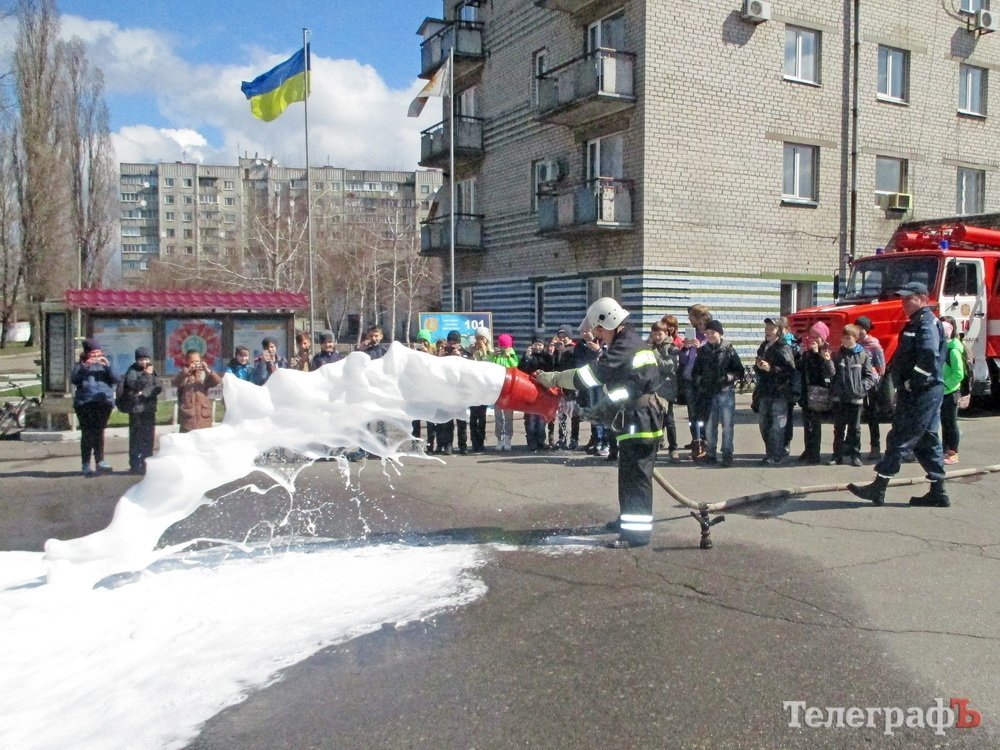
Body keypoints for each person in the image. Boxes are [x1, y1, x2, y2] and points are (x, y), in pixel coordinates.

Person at [533, 297, 663, 549]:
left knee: (636, 478)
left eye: (600, 330)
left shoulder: (625, 347)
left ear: (611, 322)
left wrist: (554, 378)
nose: (599, 336)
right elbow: (627, 386)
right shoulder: (630, 343)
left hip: (640, 420)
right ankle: (627, 520)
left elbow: (591, 375)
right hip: (637, 418)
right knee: (629, 474)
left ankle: (636, 535)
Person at [848, 282, 950, 507]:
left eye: (908, 299)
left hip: (921, 392)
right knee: (927, 439)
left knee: (900, 437)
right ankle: (938, 490)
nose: (903, 303)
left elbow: (928, 356)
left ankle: (879, 486)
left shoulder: (925, 323)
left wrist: (913, 381)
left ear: (922, 298)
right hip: (925, 391)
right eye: (903, 299)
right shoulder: (919, 321)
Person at [691, 320, 743, 467]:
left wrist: (728, 377)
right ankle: (711, 452)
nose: (709, 336)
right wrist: (701, 380)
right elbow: (696, 372)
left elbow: (739, 371)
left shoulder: (728, 350)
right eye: (707, 333)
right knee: (710, 424)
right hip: (708, 392)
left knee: (727, 425)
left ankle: (727, 453)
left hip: (725, 391)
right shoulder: (702, 351)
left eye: (712, 333)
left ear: (720, 333)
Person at [826, 324, 875, 467]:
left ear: (855, 338)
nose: (845, 341)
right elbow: (832, 375)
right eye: (843, 338)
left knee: (855, 429)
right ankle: (837, 456)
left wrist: (861, 388)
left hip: (855, 398)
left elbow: (869, 377)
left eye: (848, 338)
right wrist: (828, 361)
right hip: (839, 397)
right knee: (839, 428)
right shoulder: (837, 355)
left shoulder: (862, 355)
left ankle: (855, 455)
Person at [753, 317, 797, 465]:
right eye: (766, 329)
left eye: (771, 329)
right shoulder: (764, 346)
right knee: (763, 423)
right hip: (765, 390)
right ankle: (770, 452)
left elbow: (789, 370)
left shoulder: (783, 347)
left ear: (778, 330)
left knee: (777, 425)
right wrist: (759, 366)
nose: (768, 332)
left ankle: (776, 454)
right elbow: (758, 367)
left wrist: (771, 368)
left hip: (779, 392)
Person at [71, 338, 117, 476]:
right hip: (85, 402)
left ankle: (100, 461)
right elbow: (74, 379)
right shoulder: (80, 365)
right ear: (87, 353)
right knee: (87, 434)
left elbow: (116, 379)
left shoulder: (106, 363)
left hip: (103, 402)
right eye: (93, 353)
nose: (97, 356)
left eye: (99, 352)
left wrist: (107, 366)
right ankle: (85, 463)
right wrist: (85, 366)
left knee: (99, 432)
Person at [121, 347, 162, 475]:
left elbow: (157, 386)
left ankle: (146, 463)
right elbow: (133, 385)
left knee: (148, 438)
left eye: (146, 359)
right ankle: (134, 464)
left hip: (149, 408)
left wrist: (144, 393)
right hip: (136, 409)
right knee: (136, 438)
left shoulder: (152, 370)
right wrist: (145, 375)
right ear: (137, 360)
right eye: (141, 359)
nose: (144, 362)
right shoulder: (132, 371)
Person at [797, 322, 832, 465]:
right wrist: (801, 355)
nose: (813, 339)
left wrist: (818, 354)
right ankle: (808, 449)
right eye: (811, 336)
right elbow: (800, 368)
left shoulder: (825, 352)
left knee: (815, 424)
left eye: (817, 337)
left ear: (822, 339)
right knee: (807, 423)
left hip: (818, 392)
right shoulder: (807, 353)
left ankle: (815, 453)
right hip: (806, 391)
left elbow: (827, 371)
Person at [855, 316, 886, 459]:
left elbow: (881, 366)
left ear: (865, 329)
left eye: (860, 328)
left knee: (872, 415)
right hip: (855, 383)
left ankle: (875, 447)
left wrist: (875, 380)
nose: (857, 331)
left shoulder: (873, 345)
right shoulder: (854, 343)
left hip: (870, 385)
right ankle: (853, 446)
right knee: (854, 417)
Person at [434, 331, 470, 454]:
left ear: (459, 343)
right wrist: (441, 356)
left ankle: (463, 445)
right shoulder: (443, 353)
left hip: (460, 391)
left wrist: (459, 356)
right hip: (447, 391)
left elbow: (470, 369)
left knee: (461, 421)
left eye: (455, 342)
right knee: (447, 421)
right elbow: (435, 369)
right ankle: (448, 445)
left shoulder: (465, 353)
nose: (452, 345)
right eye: (450, 342)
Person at [173, 349, 223, 433]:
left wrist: (207, 370)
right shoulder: (183, 374)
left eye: (197, 361)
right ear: (186, 361)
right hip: (189, 416)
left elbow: (217, 381)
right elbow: (175, 382)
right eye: (192, 361)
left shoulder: (204, 374)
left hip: (203, 416)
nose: (195, 363)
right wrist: (187, 371)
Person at [519, 337, 552, 451]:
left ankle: (541, 441)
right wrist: (526, 357)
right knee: (531, 418)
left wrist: (551, 355)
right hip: (529, 390)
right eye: (535, 345)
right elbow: (521, 370)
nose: (538, 347)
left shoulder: (547, 357)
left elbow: (552, 368)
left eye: (540, 345)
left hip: (543, 392)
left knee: (542, 418)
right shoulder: (528, 356)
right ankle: (531, 441)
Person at [939, 317, 965, 465]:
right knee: (944, 422)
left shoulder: (953, 349)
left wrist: (945, 385)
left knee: (951, 423)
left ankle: (953, 452)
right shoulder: (942, 347)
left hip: (950, 391)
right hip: (942, 391)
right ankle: (944, 449)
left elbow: (958, 373)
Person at [491, 333, 519, 451]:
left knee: (508, 416)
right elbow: (489, 367)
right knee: (498, 416)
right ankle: (499, 438)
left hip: (508, 390)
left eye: (506, 347)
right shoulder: (496, 356)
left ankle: (508, 438)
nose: (503, 349)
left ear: (510, 347)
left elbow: (515, 367)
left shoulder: (513, 356)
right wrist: (492, 356)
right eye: (502, 346)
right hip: (497, 390)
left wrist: (509, 357)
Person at [468, 327, 493, 453]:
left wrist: (484, 353)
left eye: (481, 338)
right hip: (473, 388)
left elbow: (490, 367)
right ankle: (474, 442)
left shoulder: (490, 353)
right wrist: (473, 354)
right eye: (477, 338)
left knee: (482, 417)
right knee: (473, 417)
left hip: (484, 389)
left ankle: (481, 442)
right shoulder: (471, 351)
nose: (479, 341)